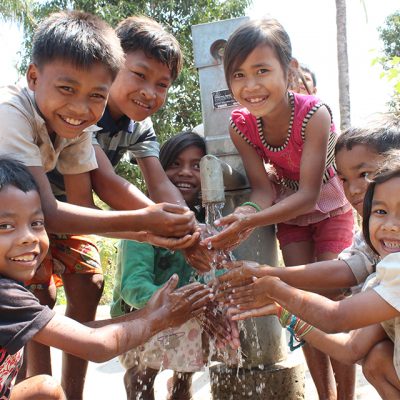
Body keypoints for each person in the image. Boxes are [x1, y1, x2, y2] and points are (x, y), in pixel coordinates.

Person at [0, 10, 197, 399]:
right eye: (68, 88)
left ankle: (69, 392)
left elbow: (82, 206)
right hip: (21, 215)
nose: (80, 106)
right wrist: (148, 224)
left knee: (89, 278)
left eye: (95, 95)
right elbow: (60, 208)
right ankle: (26, 381)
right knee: (34, 292)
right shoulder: (15, 114)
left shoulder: (78, 124)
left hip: (48, 214)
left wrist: (169, 229)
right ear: (34, 77)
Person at [202, 18, 354, 399]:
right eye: (238, 75)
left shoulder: (314, 114)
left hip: (331, 208)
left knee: (332, 297)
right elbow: (262, 189)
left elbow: (308, 193)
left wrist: (251, 219)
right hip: (291, 216)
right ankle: (325, 394)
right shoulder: (242, 126)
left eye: (262, 71)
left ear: (289, 71)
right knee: (301, 303)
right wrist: (244, 213)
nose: (250, 86)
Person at [0, 157, 213, 400]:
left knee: (43, 389)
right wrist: (159, 319)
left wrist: (147, 313)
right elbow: (97, 346)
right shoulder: (5, 295)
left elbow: (78, 332)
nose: (28, 238)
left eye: (37, 223)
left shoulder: (12, 285)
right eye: (5, 226)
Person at [223, 155, 400, 399]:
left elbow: (336, 317)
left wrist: (274, 286)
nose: (391, 225)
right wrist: (281, 311)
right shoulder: (385, 270)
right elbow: (350, 349)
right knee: (377, 359)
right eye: (381, 211)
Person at [112, 131, 238, 400]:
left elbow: (216, 274)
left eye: (197, 165)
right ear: (157, 170)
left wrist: (213, 305)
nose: (186, 173)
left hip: (185, 313)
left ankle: (182, 386)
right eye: (174, 164)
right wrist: (186, 304)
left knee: (185, 375)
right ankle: (139, 381)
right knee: (143, 376)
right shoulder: (144, 222)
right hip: (139, 311)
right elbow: (133, 286)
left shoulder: (207, 222)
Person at [217, 114, 400, 296]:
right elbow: (344, 271)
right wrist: (266, 275)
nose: (353, 190)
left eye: (364, 175)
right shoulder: (368, 235)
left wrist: (271, 283)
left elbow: (346, 310)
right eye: (343, 179)